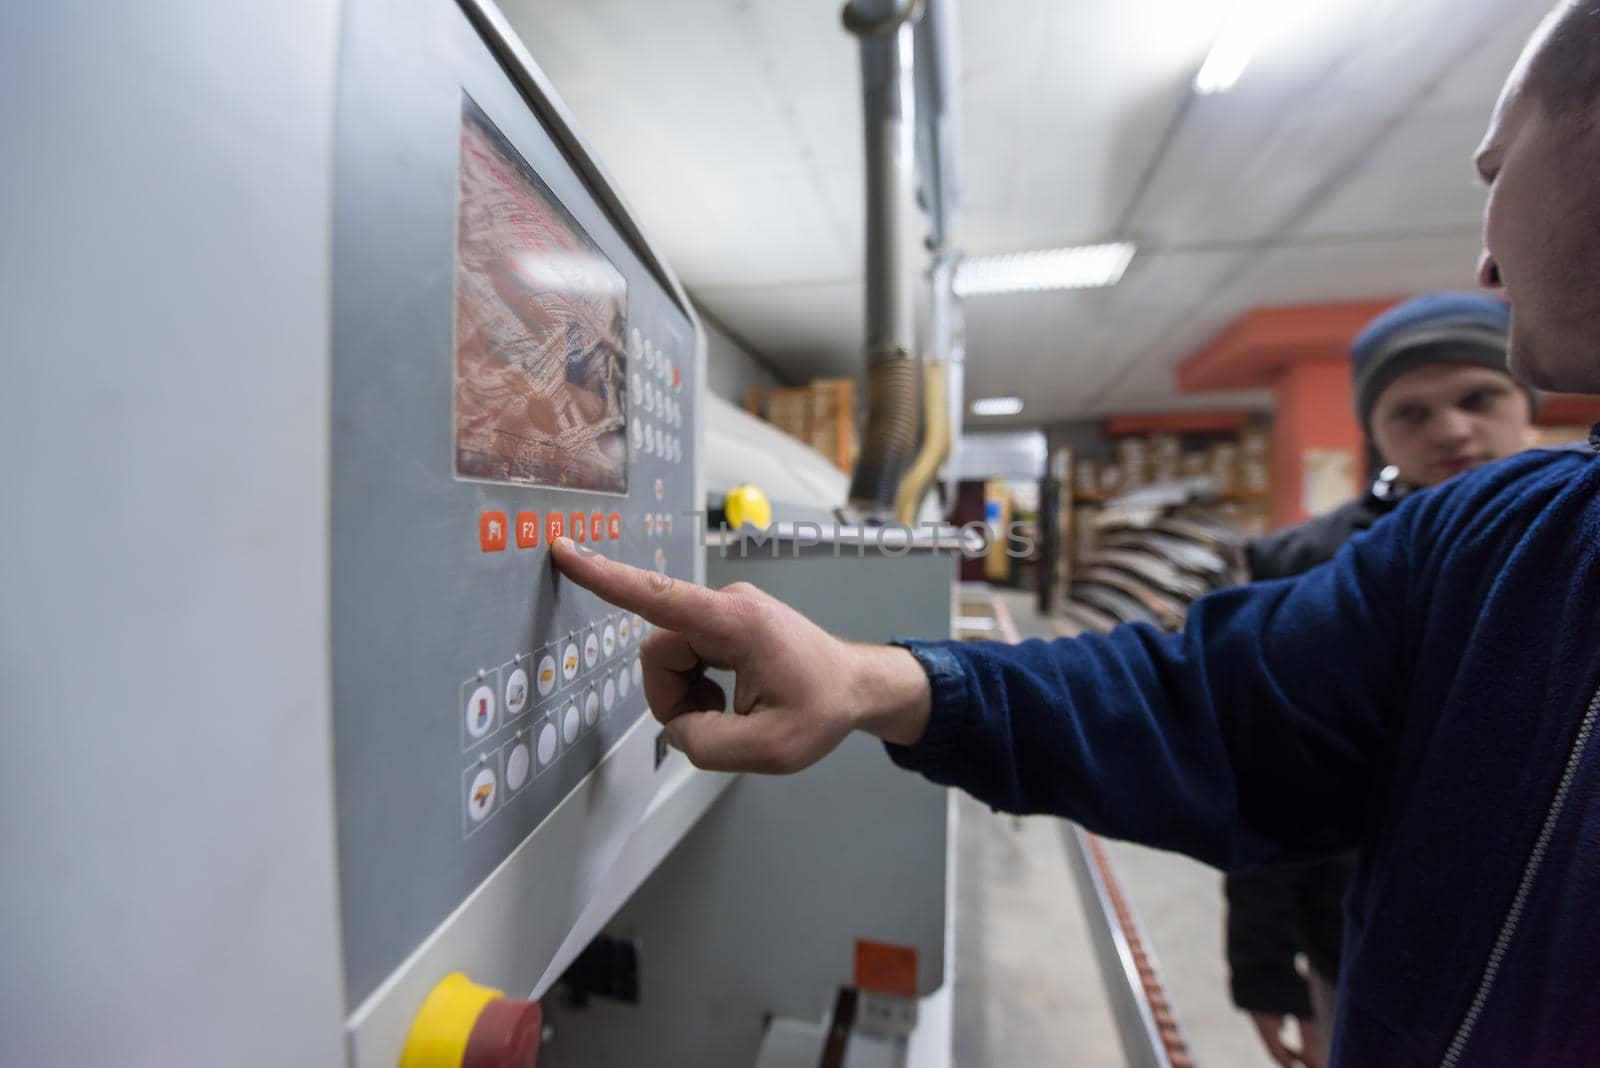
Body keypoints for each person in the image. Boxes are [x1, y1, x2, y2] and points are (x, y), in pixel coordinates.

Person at [552, 4, 1600, 1062]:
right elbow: (1204, 708)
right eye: (1412, 409)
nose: (1484, 260)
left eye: (1493, 168)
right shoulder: (1498, 545)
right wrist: (871, 680)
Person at [1224, 292, 1534, 1068]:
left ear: (1524, 400)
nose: (1452, 430)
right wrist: (1263, 964)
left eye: (1478, 398)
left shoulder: (1577, 552)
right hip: (1363, 946)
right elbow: (1270, 773)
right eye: (1412, 412)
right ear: (1375, 430)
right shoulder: (1305, 569)